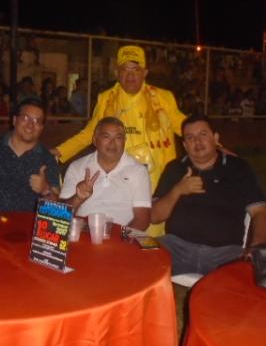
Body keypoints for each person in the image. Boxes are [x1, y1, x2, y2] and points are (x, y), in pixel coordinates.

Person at [53, 45, 185, 234]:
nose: (130, 76)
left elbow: (185, 127)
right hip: (119, 178)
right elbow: (89, 134)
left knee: (153, 235)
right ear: (117, 73)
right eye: (125, 69)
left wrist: (215, 145)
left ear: (145, 72)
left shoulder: (163, 98)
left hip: (156, 178)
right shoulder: (107, 99)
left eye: (136, 69)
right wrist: (59, 152)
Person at [150, 114, 266, 275]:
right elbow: (154, 216)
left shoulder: (238, 168)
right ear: (185, 145)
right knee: (138, 252)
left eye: (203, 134)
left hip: (225, 253)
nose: (197, 142)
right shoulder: (175, 168)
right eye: (190, 137)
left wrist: (256, 248)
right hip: (175, 247)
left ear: (215, 138)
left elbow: (261, 212)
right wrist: (178, 190)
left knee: (249, 281)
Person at [0, 98, 60, 212]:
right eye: (26, 118)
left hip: (27, 227)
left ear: (41, 128)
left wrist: (45, 189)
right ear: (14, 120)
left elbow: (55, 209)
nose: (30, 125)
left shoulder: (48, 159)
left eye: (37, 121)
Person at [60, 117, 151, 230]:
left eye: (118, 138)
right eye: (106, 137)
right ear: (95, 140)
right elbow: (61, 215)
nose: (112, 143)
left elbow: (143, 219)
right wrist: (78, 197)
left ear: (124, 141)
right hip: (83, 235)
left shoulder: (138, 170)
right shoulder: (77, 167)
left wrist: (120, 243)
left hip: (122, 238)